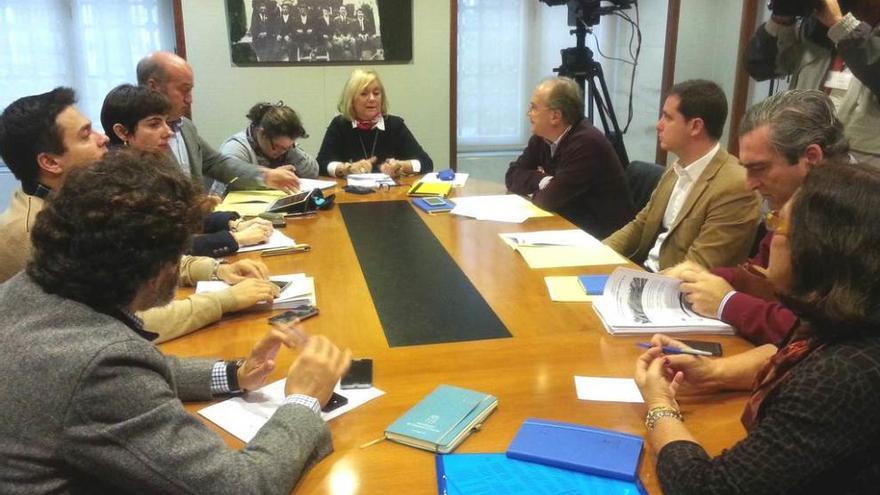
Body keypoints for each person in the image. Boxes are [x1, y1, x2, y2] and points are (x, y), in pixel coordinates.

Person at [0, 149, 351, 492]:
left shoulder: (27, 289)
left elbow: (134, 368)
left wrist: (234, 374)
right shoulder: (99, 366)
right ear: (157, 269)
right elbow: (243, 485)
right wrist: (304, 399)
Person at [635, 162, 880, 494]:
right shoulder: (844, 318)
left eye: (777, 224)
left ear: (816, 249)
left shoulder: (841, 377)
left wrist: (659, 406)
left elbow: (705, 488)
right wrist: (712, 372)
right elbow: (784, 353)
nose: (768, 237)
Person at [0, 87, 275, 343]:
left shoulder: (83, 202)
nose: (103, 138)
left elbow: (138, 264)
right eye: (85, 135)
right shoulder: (30, 234)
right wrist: (224, 301)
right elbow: (123, 324)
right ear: (50, 162)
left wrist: (216, 269)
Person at [665, 89, 851, 345]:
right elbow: (760, 275)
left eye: (759, 168)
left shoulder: (857, 222)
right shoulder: (797, 201)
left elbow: (817, 334)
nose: (750, 184)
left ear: (811, 158)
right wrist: (708, 277)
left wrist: (727, 303)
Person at [100, 84, 275, 259]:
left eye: (165, 122)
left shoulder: (149, 165)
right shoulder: (114, 183)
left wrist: (232, 224)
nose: (168, 132)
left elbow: (178, 220)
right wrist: (235, 238)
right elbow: (160, 248)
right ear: (122, 132)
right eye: (154, 124)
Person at [603, 79, 760, 268]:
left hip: (675, 288)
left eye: (667, 118)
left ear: (695, 126)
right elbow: (641, 225)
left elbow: (698, 267)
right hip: (645, 272)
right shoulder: (677, 167)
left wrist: (638, 284)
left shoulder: (736, 186)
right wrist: (596, 253)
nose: (658, 125)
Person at [136, 51, 301, 192]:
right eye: (184, 90)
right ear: (153, 87)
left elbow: (216, 163)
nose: (190, 99)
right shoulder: (134, 136)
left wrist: (265, 176)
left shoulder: (185, 126)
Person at [745, 0, 880, 166]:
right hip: (804, 151)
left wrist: (841, 25)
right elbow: (759, 66)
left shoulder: (838, 23)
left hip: (863, 165)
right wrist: (782, 16)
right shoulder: (815, 28)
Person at [505, 77, 634, 238]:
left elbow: (547, 200)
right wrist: (543, 180)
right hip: (569, 229)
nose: (528, 113)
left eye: (534, 108)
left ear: (555, 116)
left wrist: (538, 188)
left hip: (602, 240)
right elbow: (511, 176)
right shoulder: (543, 137)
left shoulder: (587, 143)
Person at [316, 69, 433, 178]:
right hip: (351, 195)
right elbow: (320, 165)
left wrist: (402, 166)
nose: (372, 99)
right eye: (364, 94)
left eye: (376, 93)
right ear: (351, 100)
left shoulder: (395, 125)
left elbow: (426, 163)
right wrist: (347, 169)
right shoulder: (340, 125)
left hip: (388, 195)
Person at [220, 101, 319, 179]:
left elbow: (313, 173)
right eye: (277, 147)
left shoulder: (286, 147)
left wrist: (292, 150)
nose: (282, 152)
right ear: (261, 133)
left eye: (287, 147)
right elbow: (229, 180)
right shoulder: (236, 148)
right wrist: (268, 177)